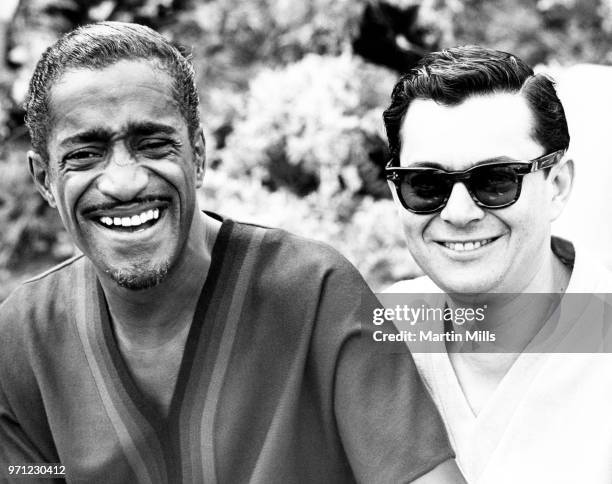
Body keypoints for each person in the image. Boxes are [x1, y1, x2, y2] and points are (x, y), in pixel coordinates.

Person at [0, 22, 466, 483]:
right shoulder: (23, 337)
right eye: (85, 153)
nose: (125, 181)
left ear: (197, 155)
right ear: (44, 179)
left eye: (153, 144)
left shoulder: (316, 294)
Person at [382, 45, 612, 483]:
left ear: (558, 185)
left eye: (495, 180)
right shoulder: (374, 335)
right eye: (426, 184)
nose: (459, 213)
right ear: (397, 193)